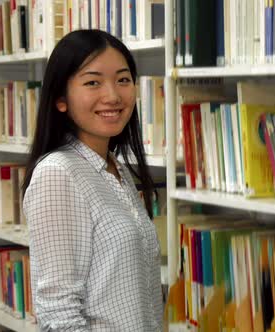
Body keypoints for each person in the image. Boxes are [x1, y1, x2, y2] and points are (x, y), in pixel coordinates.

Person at [22, 30, 162, 331]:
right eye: (92, 82)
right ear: (61, 99)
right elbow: (59, 313)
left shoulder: (117, 168)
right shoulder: (58, 173)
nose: (112, 95)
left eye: (123, 80)